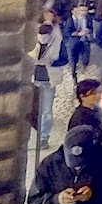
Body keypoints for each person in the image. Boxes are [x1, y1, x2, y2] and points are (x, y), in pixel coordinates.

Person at [31, 16, 69, 148]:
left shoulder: (58, 43)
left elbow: (65, 59)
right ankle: (33, 134)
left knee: (46, 111)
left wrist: (52, 62)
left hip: (48, 80)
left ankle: (44, 137)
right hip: (34, 80)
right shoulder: (34, 43)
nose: (42, 39)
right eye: (40, 36)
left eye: (45, 36)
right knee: (33, 109)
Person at [67, 79, 102, 145]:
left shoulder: (96, 109)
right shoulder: (81, 117)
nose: (98, 96)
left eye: (99, 92)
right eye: (93, 93)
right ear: (82, 96)